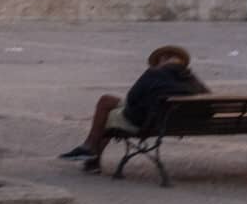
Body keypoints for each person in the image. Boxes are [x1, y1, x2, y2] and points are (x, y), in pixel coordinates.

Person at [57, 45, 208, 168]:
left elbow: (132, 98)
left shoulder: (153, 73)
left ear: (163, 59)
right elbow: (207, 101)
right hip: (177, 121)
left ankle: (91, 151)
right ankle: (91, 155)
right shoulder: (194, 80)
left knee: (107, 106)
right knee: (109, 102)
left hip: (148, 121)